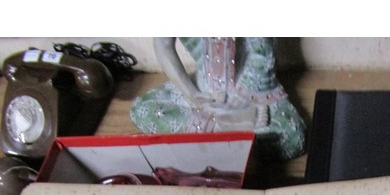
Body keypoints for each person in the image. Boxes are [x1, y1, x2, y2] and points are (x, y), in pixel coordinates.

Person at [130, 38, 306, 161]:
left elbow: (262, 53)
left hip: (251, 91)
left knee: (292, 137)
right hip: (204, 90)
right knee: (142, 109)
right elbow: (163, 44)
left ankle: (211, 137)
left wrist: (240, 98)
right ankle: (220, 129)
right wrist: (191, 93)